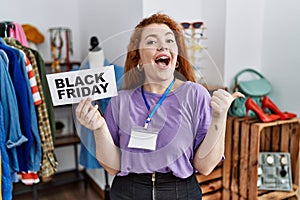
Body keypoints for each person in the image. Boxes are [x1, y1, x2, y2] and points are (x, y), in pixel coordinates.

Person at [76, 13, 243, 200]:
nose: (163, 46)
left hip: (181, 193)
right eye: (151, 41)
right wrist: (99, 128)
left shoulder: (195, 94)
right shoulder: (120, 101)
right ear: (138, 58)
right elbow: (113, 166)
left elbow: (205, 166)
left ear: (176, 56)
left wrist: (220, 119)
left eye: (169, 40)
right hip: (127, 192)